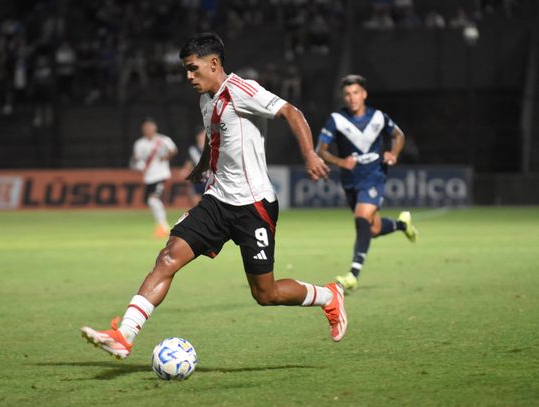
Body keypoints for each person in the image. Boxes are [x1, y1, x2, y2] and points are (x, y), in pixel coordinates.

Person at [81, 32, 347, 360]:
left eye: (192, 69)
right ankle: (125, 334)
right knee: (168, 257)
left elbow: (291, 112)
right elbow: (214, 135)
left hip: (255, 207)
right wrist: (201, 166)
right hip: (217, 201)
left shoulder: (241, 90)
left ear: (214, 63)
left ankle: (328, 296)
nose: (188, 76)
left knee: (266, 293)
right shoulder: (206, 99)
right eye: (185, 70)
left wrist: (309, 154)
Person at [316, 74, 418, 291]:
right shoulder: (337, 120)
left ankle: (353, 274)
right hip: (351, 181)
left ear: (364, 94)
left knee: (361, 218)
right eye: (347, 94)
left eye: (355, 93)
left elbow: (398, 135)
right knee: (372, 229)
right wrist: (340, 161)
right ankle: (402, 224)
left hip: (375, 176)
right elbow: (321, 151)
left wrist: (394, 153)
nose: (352, 98)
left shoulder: (379, 117)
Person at [130, 117, 178, 238]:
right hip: (149, 177)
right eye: (146, 127)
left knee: (153, 199)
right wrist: (139, 165)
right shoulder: (139, 143)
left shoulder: (163, 140)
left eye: (150, 127)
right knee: (150, 201)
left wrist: (166, 157)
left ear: (155, 128)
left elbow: (174, 150)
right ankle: (162, 224)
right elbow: (136, 158)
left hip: (162, 175)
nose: (148, 129)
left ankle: (163, 226)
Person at [184, 125, 208, 206]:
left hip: (210, 180)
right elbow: (188, 165)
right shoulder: (192, 150)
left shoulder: (212, 148)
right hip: (198, 180)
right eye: (201, 135)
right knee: (196, 204)